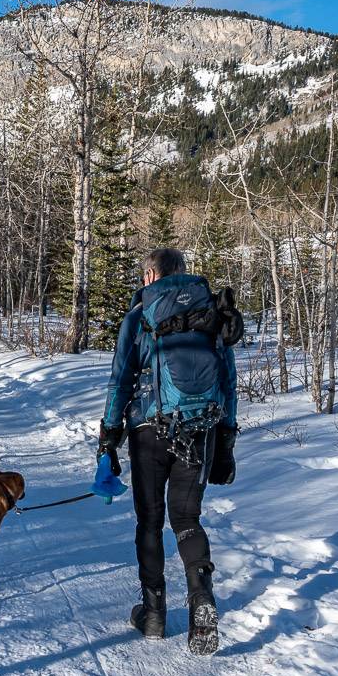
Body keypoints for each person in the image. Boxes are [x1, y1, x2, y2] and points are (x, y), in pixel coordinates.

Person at [97, 248, 239, 654]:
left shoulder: (140, 315)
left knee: (150, 521)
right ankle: (201, 599)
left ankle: (154, 613)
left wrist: (109, 437)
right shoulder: (210, 313)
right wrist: (226, 441)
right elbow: (228, 382)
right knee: (187, 517)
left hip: (149, 430)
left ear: (151, 276)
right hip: (201, 431)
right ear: (183, 274)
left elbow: (119, 382)